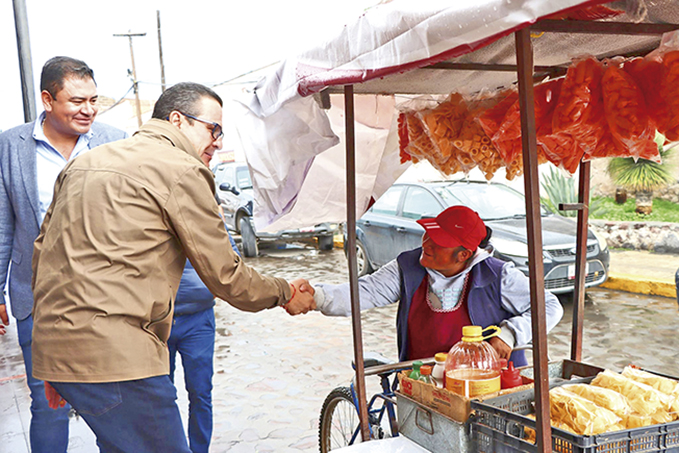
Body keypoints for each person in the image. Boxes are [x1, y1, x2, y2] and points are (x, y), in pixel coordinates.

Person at [30, 81, 316, 452]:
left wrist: (55, 362)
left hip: (63, 354)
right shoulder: (182, 168)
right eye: (213, 129)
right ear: (178, 120)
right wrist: (285, 293)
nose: (218, 142)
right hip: (119, 358)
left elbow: (43, 257)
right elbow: (226, 276)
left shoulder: (84, 163)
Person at [0, 56, 127, 453]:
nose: (88, 110)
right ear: (47, 99)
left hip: (104, 299)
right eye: (76, 101)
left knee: (112, 407)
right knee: (47, 405)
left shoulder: (115, 140)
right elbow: (5, 224)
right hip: (35, 297)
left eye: (93, 100)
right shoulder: (11, 146)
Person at [303, 205, 564, 366]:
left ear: (463, 255)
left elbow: (550, 306)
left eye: (438, 241)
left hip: (489, 386)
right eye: (428, 233)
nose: (425, 243)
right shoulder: (408, 268)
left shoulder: (498, 275)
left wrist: (510, 334)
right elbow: (365, 291)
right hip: (426, 384)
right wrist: (318, 297)